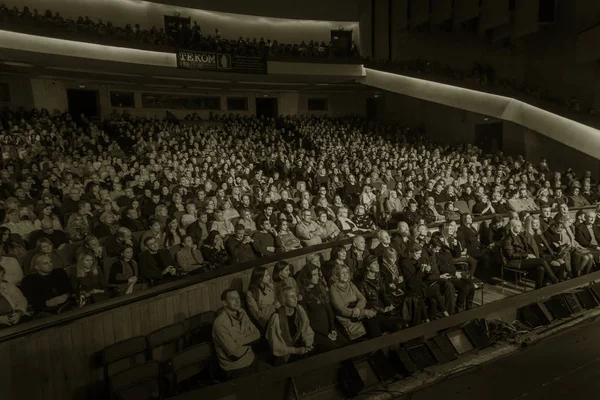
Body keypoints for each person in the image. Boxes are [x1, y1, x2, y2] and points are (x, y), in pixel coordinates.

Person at [212, 289, 261, 379]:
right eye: (232, 299)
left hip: (251, 359)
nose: (238, 301)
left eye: (238, 298)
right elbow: (234, 353)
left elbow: (257, 334)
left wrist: (239, 342)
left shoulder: (242, 313)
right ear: (224, 303)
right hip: (235, 368)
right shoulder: (220, 323)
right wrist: (249, 340)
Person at [297, 263, 347, 351]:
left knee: (346, 344)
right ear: (307, 277)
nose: (318, 277)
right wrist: (325, 334)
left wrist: (332, 328)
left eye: (318, 274)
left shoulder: (320, 288)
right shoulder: (302, 296)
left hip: (329, 327)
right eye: (315, 275)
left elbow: (329, 310)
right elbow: (307, 320)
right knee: (334, 349)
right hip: (317, 331)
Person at [353, 255, 404, 332]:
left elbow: (383, 294)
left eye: (377, 263)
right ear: (368, 267)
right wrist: (382, 310)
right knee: (393, 324)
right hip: (374, 309)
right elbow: (366, 302)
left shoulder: (379, 276)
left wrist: (390, 304)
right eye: (374, 264)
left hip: (383, 305)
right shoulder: (362, 283)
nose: (378, 265)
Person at [502, 220, 559, 288]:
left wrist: (529, 255)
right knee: (542, 261)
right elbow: (511, 255)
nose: (520, 228)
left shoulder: (520, 236)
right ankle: (554, 280)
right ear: (512, 227)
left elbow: (526, 248)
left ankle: (539, 287)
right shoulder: (508, 239)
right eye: (518, 226)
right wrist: (527, 255)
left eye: (520, 226)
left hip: (523, 258)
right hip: (514, 261)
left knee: (540, 268)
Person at [400, 243, 449, 321]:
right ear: (410, 253)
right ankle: (439, 315)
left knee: (434, 293)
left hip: (419, 285)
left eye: (420, 253)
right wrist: (421, 271)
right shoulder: (405, 263)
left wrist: (427, 271)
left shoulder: (417, 260)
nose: (419, 256)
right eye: (417, 254)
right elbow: (411, 281)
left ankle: (441, 314)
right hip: (412, 288)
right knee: (432, 293)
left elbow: (423, 276)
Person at [266, 286, 314, 365]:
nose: (295, 299)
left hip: (301, 346)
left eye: (295, 296)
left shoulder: (300, 309)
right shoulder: (277, 318)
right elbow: (277, 345)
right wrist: (295, 351)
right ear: (284, 299)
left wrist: (308, 343)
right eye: (292, 297)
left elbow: (306, 328)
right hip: (286, 353)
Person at [428, 237, 475, 313]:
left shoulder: (446, 251)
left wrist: (455, 245)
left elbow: (455, 256)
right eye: (442, 241)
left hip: (453, 273)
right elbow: (440, 268)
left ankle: (469, 306)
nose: (443, 243)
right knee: (465, 287)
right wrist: (454, 272)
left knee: (471, 285)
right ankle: (458, 307)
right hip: (446, 276)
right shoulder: (434, 254)